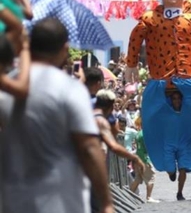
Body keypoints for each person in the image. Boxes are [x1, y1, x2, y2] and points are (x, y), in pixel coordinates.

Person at [0, 17, 113, 213]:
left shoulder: (7, 85)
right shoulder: (69, 89)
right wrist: (105, 203)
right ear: (64, 48)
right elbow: (88, 147)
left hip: (14, 196)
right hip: (61, 198)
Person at [125, 0, 191, 201]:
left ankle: (187, 162)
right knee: (153, 120)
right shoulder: (150, 19)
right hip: (160, 80)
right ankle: (165, 162)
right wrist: (130, 64)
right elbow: (135, 38)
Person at [130, 117, 160, 203]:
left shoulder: (138, 134)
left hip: (138, 158)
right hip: (144, 159)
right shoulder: (146, 134)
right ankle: (149, 197)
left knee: (137, 179)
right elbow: (148, 148)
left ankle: (130, 195)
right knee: (151, 177)